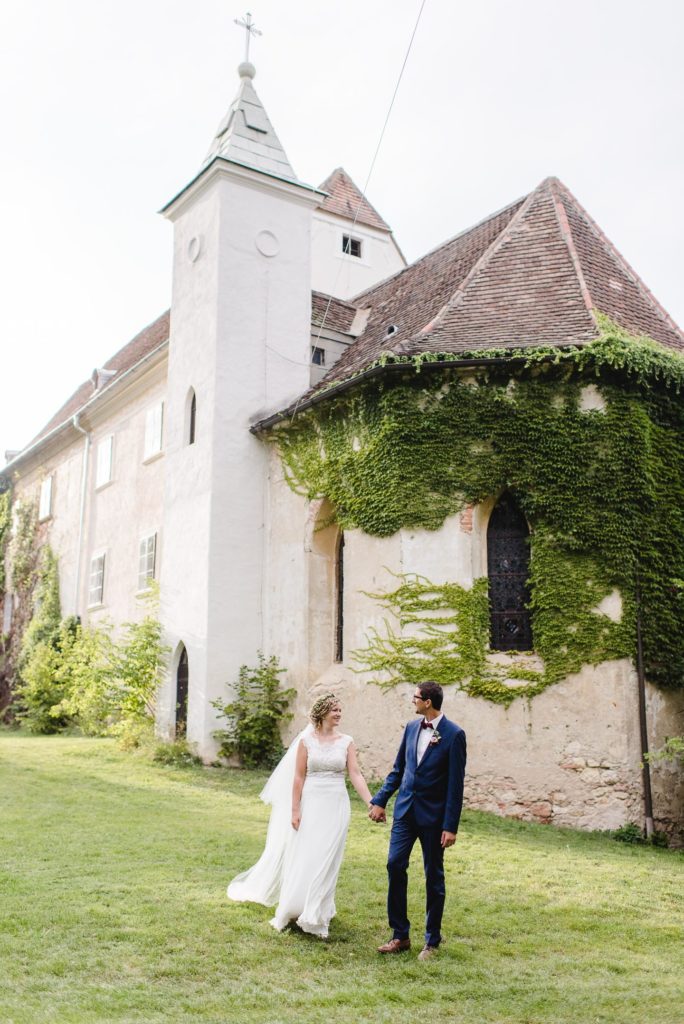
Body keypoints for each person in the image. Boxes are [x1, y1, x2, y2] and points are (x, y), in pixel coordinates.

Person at [227, 693, 373, 939]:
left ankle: (317, 912)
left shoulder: (346, 741)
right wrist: (295, 810)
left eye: (340, 710)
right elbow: (298, 777)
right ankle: (296, 906)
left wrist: (372, 802)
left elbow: (355, 774)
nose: (338, 713)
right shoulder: (306, 741)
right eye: (334, 710)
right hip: (311, 803)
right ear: (322, 713)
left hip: (336, 804)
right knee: (306, 854)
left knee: (328, 857)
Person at [369, 681, 466, 961]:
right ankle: (400, 935)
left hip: (434, 818)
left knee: (433, 876)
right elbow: (399, 769)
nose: (413, 702)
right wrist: (380, 799)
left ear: (428, 702)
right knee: (394, 864)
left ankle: (432, 941)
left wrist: (450, 826)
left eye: (416, 698)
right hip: (405, 812)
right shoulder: (412, 728)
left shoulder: (454, 734)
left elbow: (455, 786)